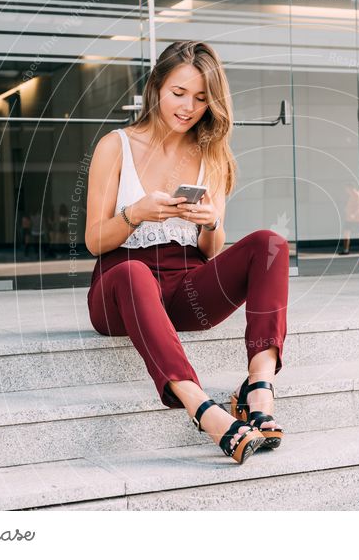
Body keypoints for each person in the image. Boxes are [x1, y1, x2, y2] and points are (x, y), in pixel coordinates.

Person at [84, 41, 288, 465]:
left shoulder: (211, 154)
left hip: (185, 288)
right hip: (120, 288)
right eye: (179, 93)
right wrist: (135, 213)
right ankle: (203, 408)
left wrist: (211, 223)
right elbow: (94, 240)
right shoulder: (115, 146)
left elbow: (211, 253)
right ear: (156, 86)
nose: (188, 107)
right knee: (135, 272)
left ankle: (259, 385)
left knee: (270, 244)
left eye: (200, 98)